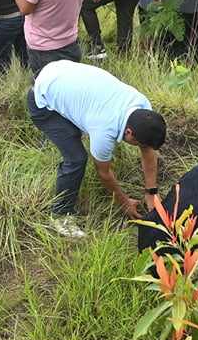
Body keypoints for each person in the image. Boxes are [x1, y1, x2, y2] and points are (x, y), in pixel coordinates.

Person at [27, 59, 166, 236]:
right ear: (129, 133)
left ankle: (65, 130)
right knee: (76, 158)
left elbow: (148, 151)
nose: (144, 148)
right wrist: (123, 201)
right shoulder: (103, 130)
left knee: (76, 132)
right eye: (140, 144)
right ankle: (60, 214)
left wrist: (151, 193)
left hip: (59, 71)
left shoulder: (142, 106)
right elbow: (104, 173)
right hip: (42, 99)